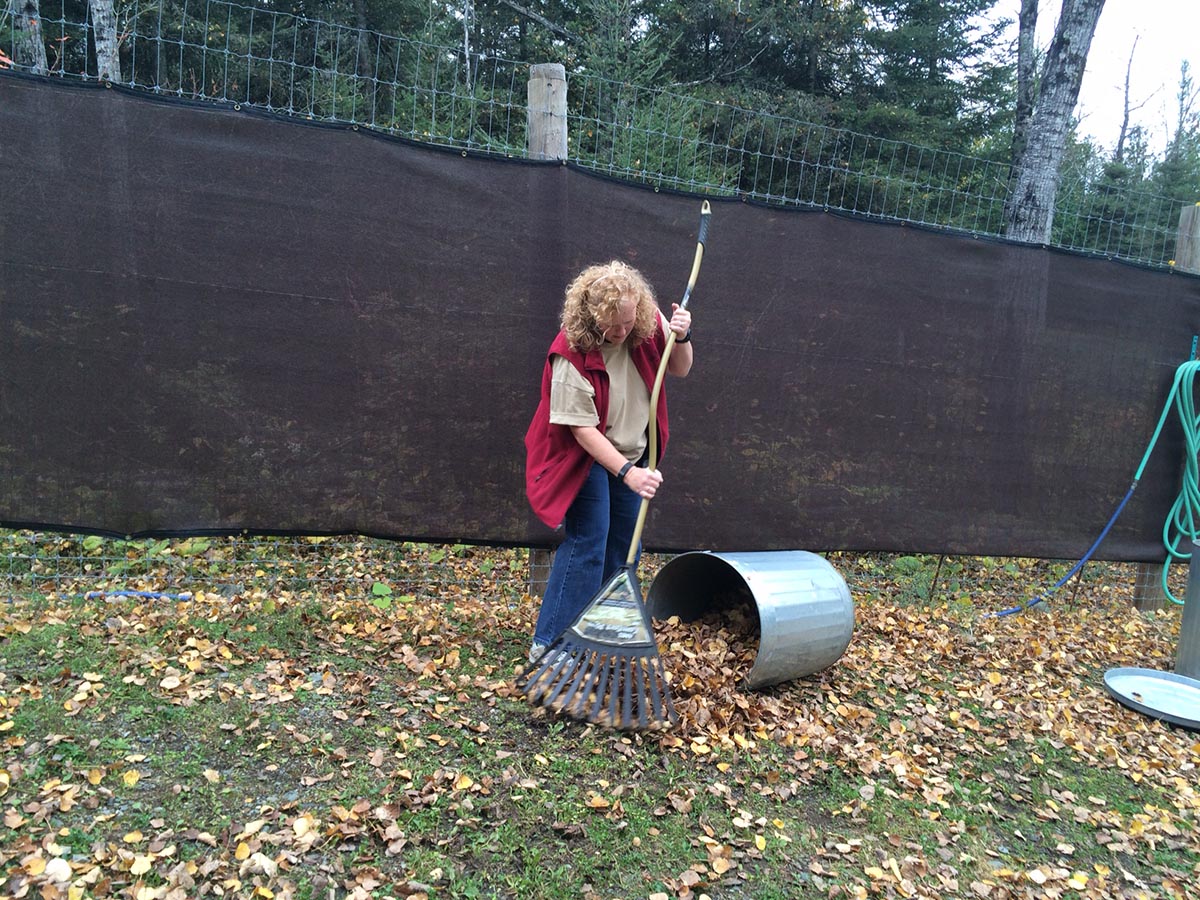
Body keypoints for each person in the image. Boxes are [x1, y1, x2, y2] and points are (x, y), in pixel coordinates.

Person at [523, 260, 693, 663]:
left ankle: (591, 635)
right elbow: (582, 433)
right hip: (582, 458)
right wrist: (627, 473)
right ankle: (548, 644)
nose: (622, 332)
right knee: (589, 541)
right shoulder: (570, 354)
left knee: (621, 549)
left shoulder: (644, 325)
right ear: (590, 315)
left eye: (628, 322)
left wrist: (682, 336)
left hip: (630, 454)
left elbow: (681, 368)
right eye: (613, 326)